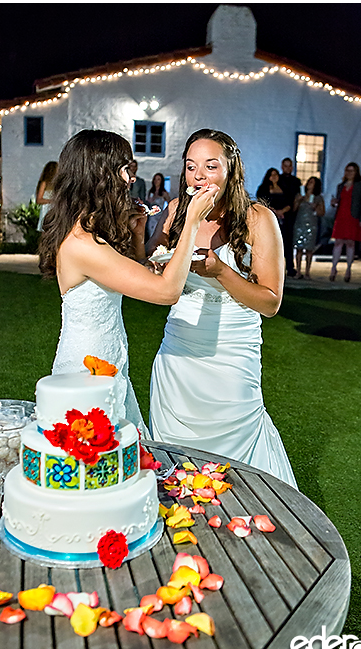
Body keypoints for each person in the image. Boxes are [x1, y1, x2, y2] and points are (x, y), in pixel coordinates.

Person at [146, 129, 297, 489]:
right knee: (177, 460)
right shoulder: (177, 211)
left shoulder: (259, 218)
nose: (199, 177)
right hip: (178, 353)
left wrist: (221, 271)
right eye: (191, 167)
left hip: (231, 352)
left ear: (231, 170)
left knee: (238, 457)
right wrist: (151, 237)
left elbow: (270, 301)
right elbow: (151, 263)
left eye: (210, 166)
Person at [38, 129, 215, 435]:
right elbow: (166, 291)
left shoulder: (89, 232)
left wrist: (137, 231)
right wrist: (192, 222)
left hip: (107, 361)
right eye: (124, 169)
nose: (131, 178)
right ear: (100, 175)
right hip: (86, 372)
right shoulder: (81, 243)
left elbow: (137, 272)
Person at [328, 162, 361, 282]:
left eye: (352, 171)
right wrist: (334, 202)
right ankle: (334, 267)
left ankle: (348, 269)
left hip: (353, 217)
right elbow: (339, 201)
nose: (349, 173)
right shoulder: (341, 186)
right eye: (347, 170)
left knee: (350, 243)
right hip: (341, 216)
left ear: (356, 172)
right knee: (338, 242)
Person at [291, 176, 325, 279]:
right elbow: (294, 209)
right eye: (309, 181)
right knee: (299, 249)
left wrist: (315, 207)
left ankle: (307, 272)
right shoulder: (300, 195)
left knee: (309, 249)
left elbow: (322, 213)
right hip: (300, 224)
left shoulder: (318, 198)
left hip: (311, 224)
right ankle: (298, 271)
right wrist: (297, 201)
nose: (309, 183)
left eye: (312, 182)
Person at [278, 158, 302, 277]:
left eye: (289, 166)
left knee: (289, 242)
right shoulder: (278, 179)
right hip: (278, 214)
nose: (287, 168)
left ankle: (290, 267)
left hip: (291, 214)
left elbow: (297, 197)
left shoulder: (296, 181)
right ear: (282, 166)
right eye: (285, 166)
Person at [145, 172, 171, 239]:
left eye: (158, 179)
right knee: (151, 231)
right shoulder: (150, 192)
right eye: (155, 179)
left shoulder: (164, 193)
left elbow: (170, 203)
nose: (156, 181)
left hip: (159, 215)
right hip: (151, 216)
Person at [35, 161, 58, 231]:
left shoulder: (57, 183)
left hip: (55, 210)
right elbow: (39, 200)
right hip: (46, 210)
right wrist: (51, 201)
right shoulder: (44, 183)